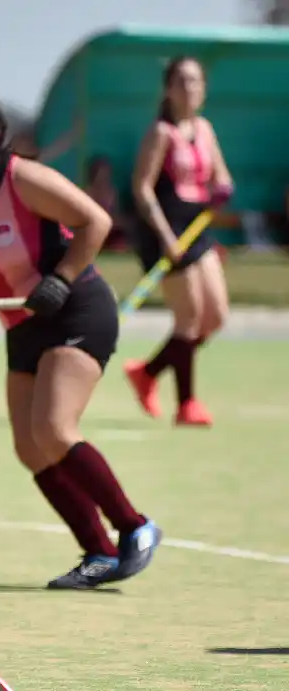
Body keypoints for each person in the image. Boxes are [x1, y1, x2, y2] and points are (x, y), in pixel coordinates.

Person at [0, 82, 162, 591]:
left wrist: (60, 279)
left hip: (77, 311)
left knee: (53, 429)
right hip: (21, 325)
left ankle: (135, 527)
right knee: (30, 447)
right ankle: (98, 552)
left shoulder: (24, 179)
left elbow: (95, 221)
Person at [124, 55, 234, 427]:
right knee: (187, 319)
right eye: (182, 82)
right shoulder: (160, 133)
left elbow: (220, 176)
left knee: (215, 316)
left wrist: (222, 189)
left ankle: (149, 372)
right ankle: (187, 405)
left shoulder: (204, 128)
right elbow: (141, 187)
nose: (190, 89)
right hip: (165, 229)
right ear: (169, 89)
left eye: (196, 82)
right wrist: (167, 237)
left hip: (196, 227)